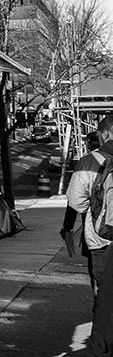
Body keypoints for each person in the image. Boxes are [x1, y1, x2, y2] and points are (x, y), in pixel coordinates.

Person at [63, 116, 113, 303]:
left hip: (101, 239)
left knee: (104, 295)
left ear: (105, 133)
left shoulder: (89, 161)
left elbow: (77, 203)